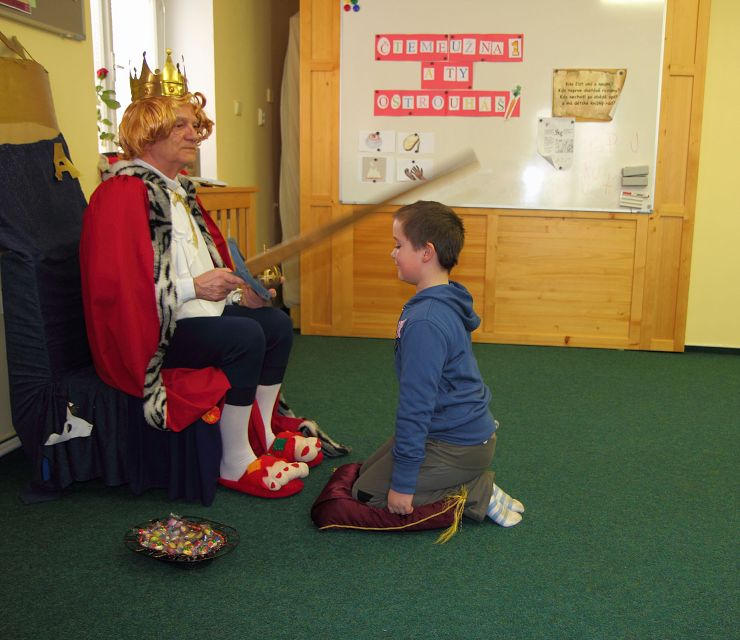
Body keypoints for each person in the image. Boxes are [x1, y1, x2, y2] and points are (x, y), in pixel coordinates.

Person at [80, 50, 320, 498]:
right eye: (180, 126)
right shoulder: (119, 194)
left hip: (192, 315)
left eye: (194, 125)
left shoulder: (181, 193)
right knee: (244, 337)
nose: (194, 134)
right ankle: (235, 461)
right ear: (147, 132)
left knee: (274, 324)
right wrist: (195, 287)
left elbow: (202, 269)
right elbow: (116, 290)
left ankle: (265, 434)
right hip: (150, 331)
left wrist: (237, 294)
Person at [351, 200, 525, 527]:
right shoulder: (444, 297)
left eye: (398, 245)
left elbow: (416, 405)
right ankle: (466, 479)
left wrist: (403, 484)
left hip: (458, 444)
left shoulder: (426, 321)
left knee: (367, 494)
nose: (392, 252)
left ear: (426, 252)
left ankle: (477, 491)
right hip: (454, 431)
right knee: (365, 472)